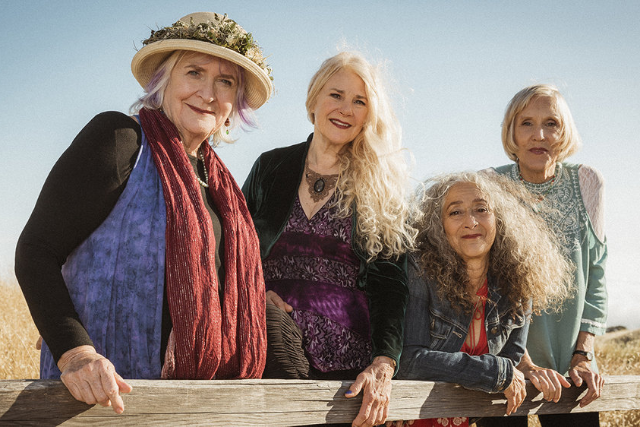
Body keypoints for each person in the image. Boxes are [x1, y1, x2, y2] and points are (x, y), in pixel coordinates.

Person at [15, 12, 272, 414]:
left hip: (196, 407)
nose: (208, 93)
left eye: (225, 82)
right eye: (194, 72)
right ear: (163, 79)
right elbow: (36, 250)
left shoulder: (223, 190)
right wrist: (76, 353)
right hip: (102, 400)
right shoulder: (119, 140)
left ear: (233, 103)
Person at [242, 51, 416, 427]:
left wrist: (384, 362)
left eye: (360, 101)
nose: (345, 109)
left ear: (370, 115)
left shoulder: (380, 185)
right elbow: (235, 250)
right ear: (314, 99)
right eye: (336, 95)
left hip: (345, 361)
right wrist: (256, 294)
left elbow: (391, 285)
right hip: (267, 343)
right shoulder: (271, 166)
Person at [390, 172, 573, 427]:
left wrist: (524, 370)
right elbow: (409, 361)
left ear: (500, 218)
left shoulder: (519, 279)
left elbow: (511, 358)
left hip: (465, 416)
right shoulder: (420, 270)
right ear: (438, 224)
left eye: (481, 209)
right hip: (409, 416)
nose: (471, 222)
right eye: (455, 212)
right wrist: (492, 371)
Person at [479, 84, 608, 427]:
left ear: (565, 132)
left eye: (551, 123)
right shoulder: (487, 184)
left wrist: (583, 355)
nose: (539, 135)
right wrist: (521, 362)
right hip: (504, 364)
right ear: (512, 131)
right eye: (527, 123)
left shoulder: (588, 182)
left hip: (572, 368)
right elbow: (479, 280)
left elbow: (596, 275)